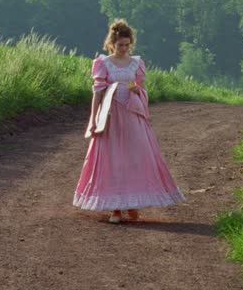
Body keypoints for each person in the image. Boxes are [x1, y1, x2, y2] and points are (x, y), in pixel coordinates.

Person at [74, 19, 184, 223]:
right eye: (120, 45)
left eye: (127, 45)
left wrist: (137, 90)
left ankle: (131, 203)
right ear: (111, 44)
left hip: (132, 115)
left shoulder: (136, 62)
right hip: (111, 116)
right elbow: (97, 94)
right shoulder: (103, 63)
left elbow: (141, 89)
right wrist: (94, 119)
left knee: (134, 158)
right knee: (112, 160)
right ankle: (116, 208)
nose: (124, 48)